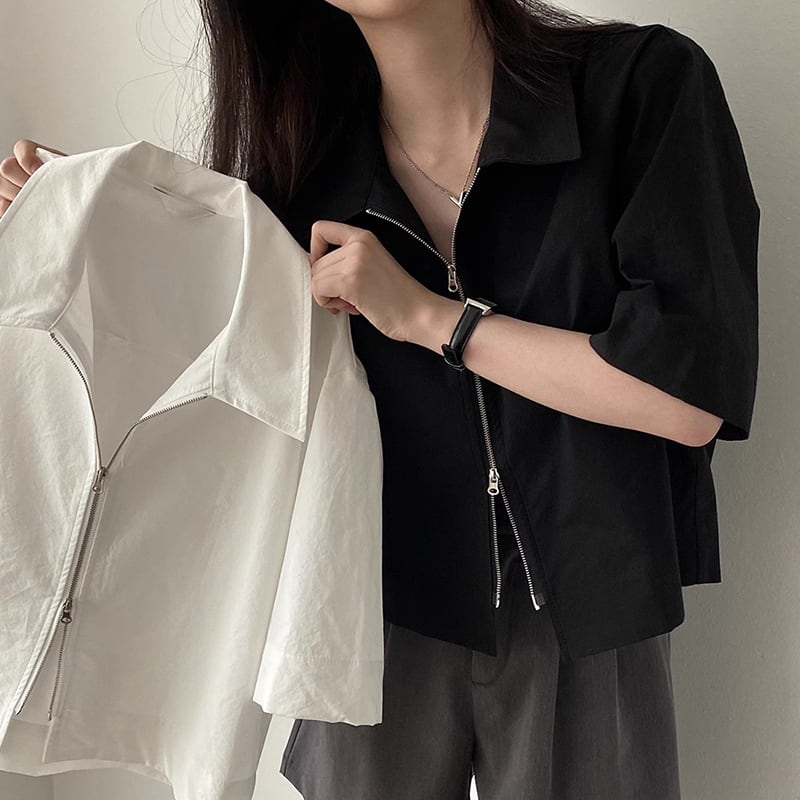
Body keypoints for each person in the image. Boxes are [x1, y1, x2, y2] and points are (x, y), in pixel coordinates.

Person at [1, 0, 760, 797]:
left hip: (588, 616)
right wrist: (89, 211)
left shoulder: (641, 86)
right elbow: (205, 372)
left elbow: (684, 396)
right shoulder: (300, 174)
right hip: (372, 607)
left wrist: (433, 319)